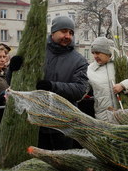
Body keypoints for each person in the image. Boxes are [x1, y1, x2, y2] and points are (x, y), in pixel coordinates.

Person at [36, 16, 89, 150]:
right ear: (53, 32)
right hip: (36, 122)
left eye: (71, 33)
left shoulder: (79, 60)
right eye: (64, 31)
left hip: (64, 124)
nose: (68, 36)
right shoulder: (37, 53)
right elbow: (16, 84)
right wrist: (13, 70)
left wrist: (53, 86)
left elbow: (80, 90)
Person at [87, 37, 128, 122]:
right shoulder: (90, 70)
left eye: (98, 53)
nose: (95, 56)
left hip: (127, 115)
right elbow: (83, 89)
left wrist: (123, 85)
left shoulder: (122, 60)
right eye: (93, 53)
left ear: (107, 52)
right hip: (104, 119)